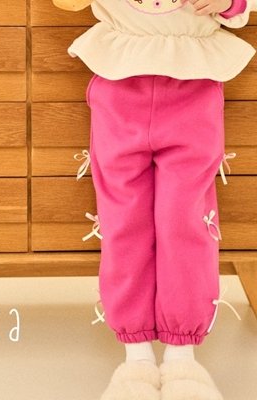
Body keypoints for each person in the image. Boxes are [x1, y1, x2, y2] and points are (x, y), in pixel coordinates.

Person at [53, 0, 256, 398]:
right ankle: (137, 357)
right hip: (119, 82)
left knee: (187, 220)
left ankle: (182, 357)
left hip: (194, 84)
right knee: (122, 220)